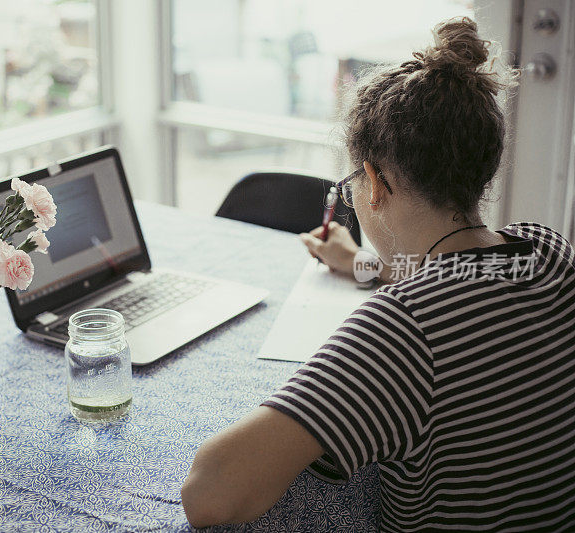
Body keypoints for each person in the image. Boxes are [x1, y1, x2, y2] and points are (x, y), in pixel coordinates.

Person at [181, 17, 575, 532]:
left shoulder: (403, 330)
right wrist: (361, 264)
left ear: (372, 184)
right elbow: (462, 280)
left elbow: (209, 494)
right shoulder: (547, 250)